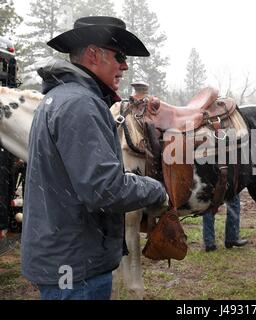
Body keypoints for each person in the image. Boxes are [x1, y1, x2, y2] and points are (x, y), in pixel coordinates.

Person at [21, 16, 168, 300]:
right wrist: (154, 189)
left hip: (65, 256)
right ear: (92, 54)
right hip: (77, 268)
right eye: (120, 56)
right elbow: (105, 189)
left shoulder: (60, 98)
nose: (125, 67)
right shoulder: (81, 105)